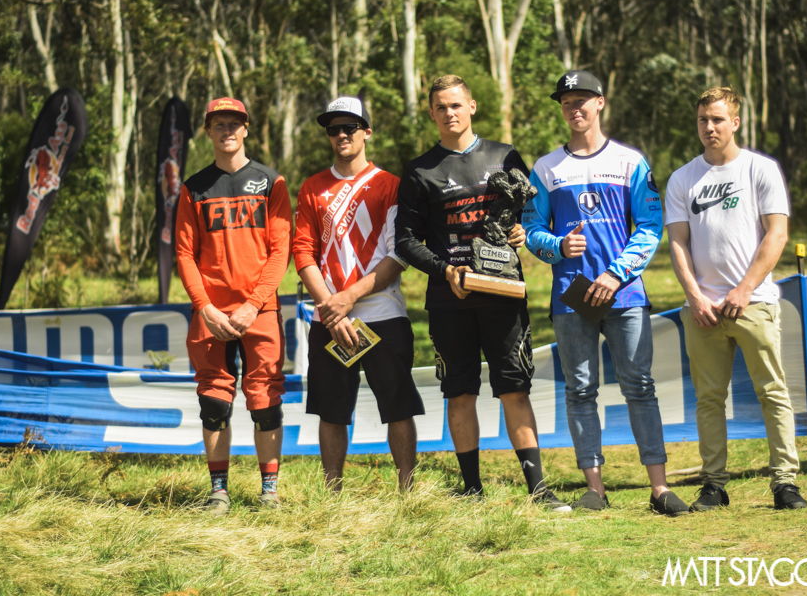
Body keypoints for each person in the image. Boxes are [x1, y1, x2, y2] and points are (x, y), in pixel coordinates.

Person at [395, 75, 570, 511]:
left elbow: (531, 216)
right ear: (432, 113)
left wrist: (519, 231)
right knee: (460, 393)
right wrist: (444, 269)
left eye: (456, 104)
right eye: (441, 107)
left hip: (503, 294)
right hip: (449, 300)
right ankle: (471, 489)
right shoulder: (419, 171)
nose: (450, 113)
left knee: (515, 389)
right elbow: (405, 240)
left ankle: (538, 489)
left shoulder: (505, 155)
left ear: (472, 106)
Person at [522, 70, 689, 516]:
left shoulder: (631, 162)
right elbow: (531, 229)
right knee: (579, 391)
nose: (574, 108)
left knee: (640, 387)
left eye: (582, 100)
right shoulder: (545, 168)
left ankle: (659, 489)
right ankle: (594, 489)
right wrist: (556, 246)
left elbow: (650, 227)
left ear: (600, 103)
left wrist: (615, 275)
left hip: (624, 294)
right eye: (566, 101)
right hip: (570, 297)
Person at [665, 86, 807, 511]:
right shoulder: (682, 178)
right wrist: (694, 298)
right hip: (703, 311)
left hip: (756, 303)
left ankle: (785, 482)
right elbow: (677, 243)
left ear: (735, 122)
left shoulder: (760, 170)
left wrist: (743, 290)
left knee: (773, 392)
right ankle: (714, 485)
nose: (709, 127)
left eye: (718, 119)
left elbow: (777, 233)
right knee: (709, 398)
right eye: (703, 120)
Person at [293, 96, 424, 492]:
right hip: (328, 320)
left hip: (383, 314)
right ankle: (332, 495)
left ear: (367, 132)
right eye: (334, 129)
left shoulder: (391, 186)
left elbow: (397, 254)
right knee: (331, 411)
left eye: (350, 127)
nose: (342, 135)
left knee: (397, 407)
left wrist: (347, 299)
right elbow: (303, 251)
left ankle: (408, 492)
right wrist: (332, 311)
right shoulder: (312, 187)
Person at [175, 97, 292, 514]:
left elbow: (281, 252)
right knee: (213, 402)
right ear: (208, 131)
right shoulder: (194, 187)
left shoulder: (271, 182)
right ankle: (218, 491)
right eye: (219, 124)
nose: (227, 130)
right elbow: (185, 254)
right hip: (210, 314)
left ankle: (270, 491)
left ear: (246, 129)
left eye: (234, 123)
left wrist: (253, 305)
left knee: (265, 401)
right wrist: (205, 306)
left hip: (259, 312)